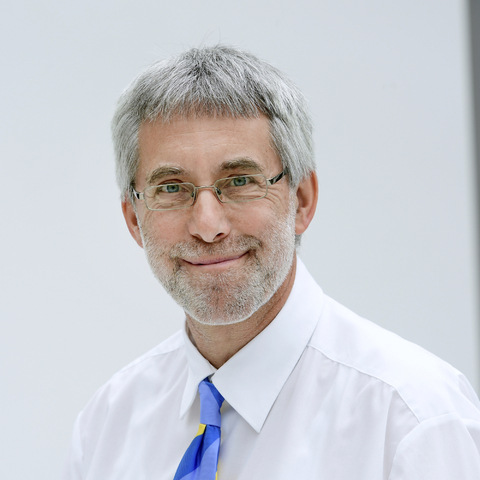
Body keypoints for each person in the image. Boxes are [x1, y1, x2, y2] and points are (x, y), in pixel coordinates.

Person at [62, 45, 480, 479]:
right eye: (171, 187)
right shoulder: (105, 429)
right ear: (134, 218)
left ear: (302, 200)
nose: (207, 225)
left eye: (240, 180)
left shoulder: (411, 420)